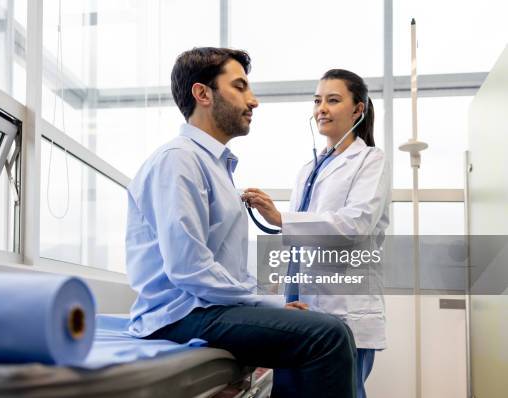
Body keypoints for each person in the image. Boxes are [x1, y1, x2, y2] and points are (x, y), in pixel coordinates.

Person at [125, 48, 357, 397]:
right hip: (179, 316)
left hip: (205, 307)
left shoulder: (216, 166)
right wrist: (264, 302)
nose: (254, 101)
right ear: (203, 94)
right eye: (240, 87)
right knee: (328, 335)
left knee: (328, 329)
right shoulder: (179, 161)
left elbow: (227, 269)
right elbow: (190, 269)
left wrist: (269, 303)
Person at [243, 69, 391, 398]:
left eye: (333, 100)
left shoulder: (370, 160)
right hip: (300, 305)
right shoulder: (308, 169)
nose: (321, 108)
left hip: (344, 308)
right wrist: (275, 288)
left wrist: (282, 217)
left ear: (358, 109)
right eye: (317, 100)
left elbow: (356, 225)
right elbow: (298, 235)